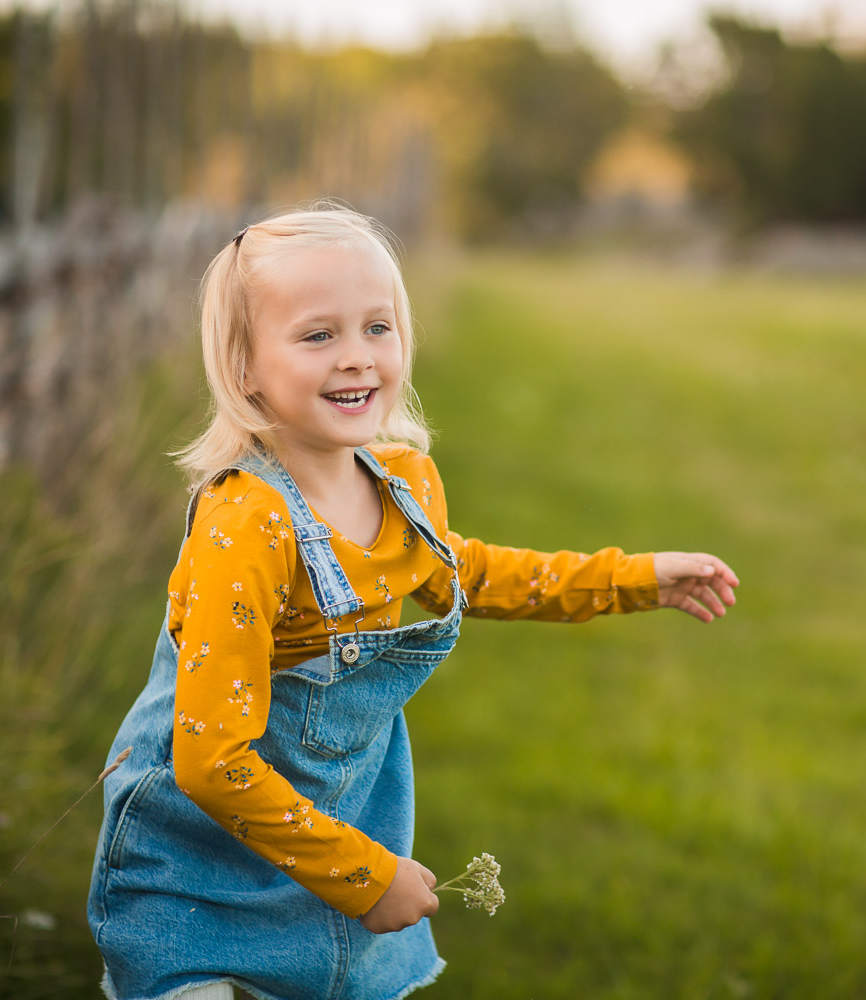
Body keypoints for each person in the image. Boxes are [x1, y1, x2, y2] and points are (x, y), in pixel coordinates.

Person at [85, 204, 739, 1000]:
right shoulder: (247, 521)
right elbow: (210, 761)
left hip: (333, 833)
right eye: (318, 336)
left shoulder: (402, 482)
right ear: (245, 365)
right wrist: (364, 875)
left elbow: (473, 573)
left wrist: (634, 578)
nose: (357, 359)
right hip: (197, 871)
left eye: (378, 328)